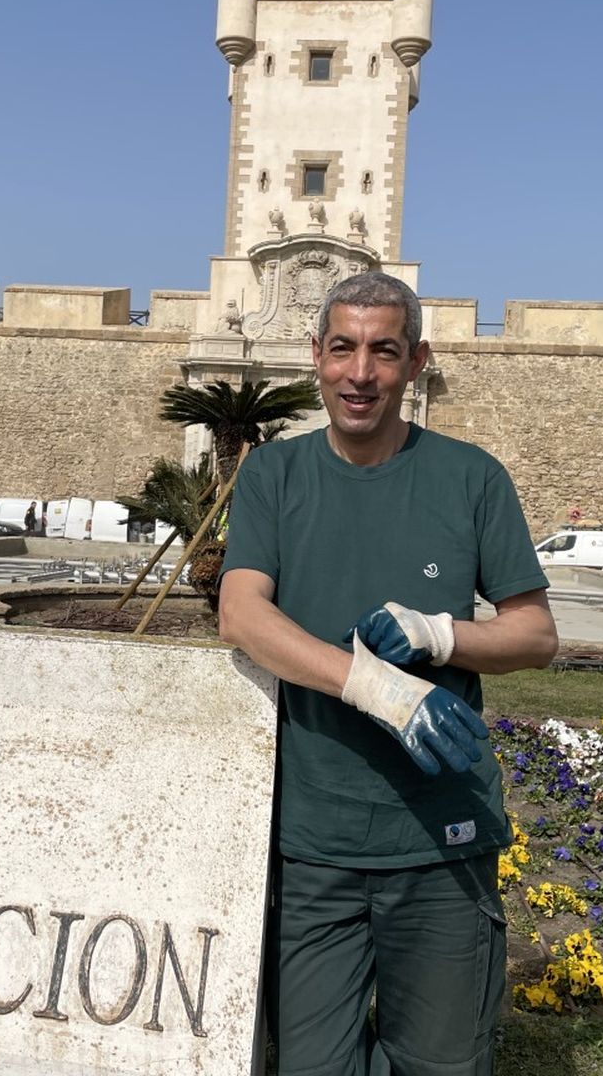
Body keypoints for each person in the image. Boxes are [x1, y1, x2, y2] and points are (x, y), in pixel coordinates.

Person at [218, 270, 558, 1076]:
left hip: (441, 839)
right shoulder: (273, 475)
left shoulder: (471, 478)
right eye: (343, 349)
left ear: (416, 362)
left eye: (383, 351)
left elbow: (536, 633)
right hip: (316, 845)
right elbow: (241, 615)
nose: (360, 373)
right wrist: (375, 687)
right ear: (316, 356)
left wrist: (440, 636)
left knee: (439, 1065)